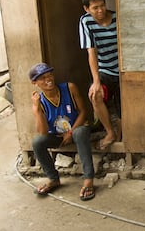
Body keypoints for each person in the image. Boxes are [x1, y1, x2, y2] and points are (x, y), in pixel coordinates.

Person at [29, 63, 96, 201]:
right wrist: (36, 109)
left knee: (80, 132)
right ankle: (53, 179)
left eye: (50, 75)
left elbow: (84, 112)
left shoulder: (69, 88)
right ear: (34, 83)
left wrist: (70, 132)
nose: (48, 79)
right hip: (58, 136)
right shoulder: (39, 101)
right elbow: (43, 132)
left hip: (76, 129)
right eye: (42, 78)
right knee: (37, 142)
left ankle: (88, 178)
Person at [79, 0, 121, 150]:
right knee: (95, 94)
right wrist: (96, 81)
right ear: (86, 9)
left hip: (124, 71)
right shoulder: (86, 21)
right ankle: (109, 132)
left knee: (122, 109)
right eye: (95, 8)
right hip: (106, 71)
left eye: (102, 5)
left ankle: (120, 136)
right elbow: (92, 52)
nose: (100, 10)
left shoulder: (117, 18)